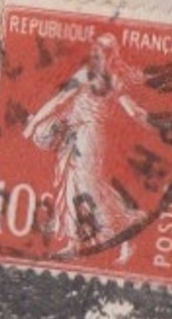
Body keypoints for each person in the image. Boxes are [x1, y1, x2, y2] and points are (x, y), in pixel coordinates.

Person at [23, 33, 155, 263]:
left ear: (109, 56)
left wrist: (148, 121)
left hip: (90, 136)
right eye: (95, 52)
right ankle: (74, 243)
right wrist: (35, 123)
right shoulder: (89, 75)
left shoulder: (109, 79)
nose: (96, 57)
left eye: (100, 53)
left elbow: (131, 110)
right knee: (70, 184)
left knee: (90, 186)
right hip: (74, 131)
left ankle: (128, 228)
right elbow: (59, 101)